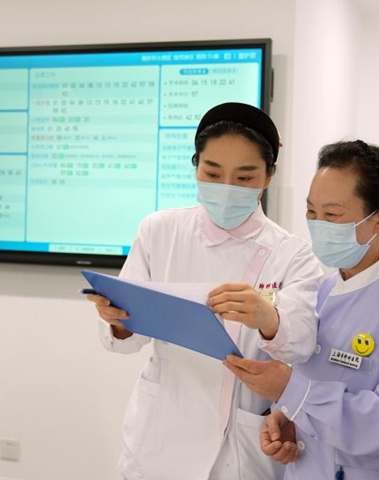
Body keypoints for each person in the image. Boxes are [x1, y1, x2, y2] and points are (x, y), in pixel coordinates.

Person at [86, 102, 324, 480]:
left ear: (269, 175)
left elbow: (303, 345)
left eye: (244, 177)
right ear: (195, 165)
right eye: (212, 172)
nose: (226, 187)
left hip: (239, 445)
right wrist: (117, 320)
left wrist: (269, 318)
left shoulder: (292, 254)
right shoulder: (159, 231)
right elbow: (125, 342)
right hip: (161, 433)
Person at [224, 140, 379, 480]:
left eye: (332, 215)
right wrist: (289, 417)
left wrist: (294, 392)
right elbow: (312, 387)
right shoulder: (324, 289)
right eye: (311, 212)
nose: (318, 224)